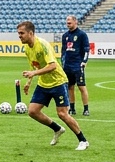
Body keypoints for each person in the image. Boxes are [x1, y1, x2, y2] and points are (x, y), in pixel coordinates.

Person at [17, 21, 89, 151]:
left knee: (62, 114)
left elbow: (52, 65)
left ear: (30, 33)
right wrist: (29, 81)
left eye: (21, 33)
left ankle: (83, 140)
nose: (19, 36)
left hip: (58, 82)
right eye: (18, 33)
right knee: (33, 111)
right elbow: (34, 66)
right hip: (44, 83)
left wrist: (33, 73)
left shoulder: (43, 45)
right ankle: (57, 129)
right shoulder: (27, 48)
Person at [61, 15, 91, 115]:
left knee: (81, 87)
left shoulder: (82, 35)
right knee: (70, 87)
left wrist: (84, 62)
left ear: (75, 22)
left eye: (69, 22)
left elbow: (86, 49)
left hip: (78, 65)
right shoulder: (65, 36)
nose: (68, 24)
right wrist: (63, 62)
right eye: (67, 23)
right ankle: (72, 108)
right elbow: (63, 51)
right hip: (67, 66)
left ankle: (86, 109)